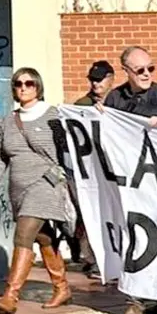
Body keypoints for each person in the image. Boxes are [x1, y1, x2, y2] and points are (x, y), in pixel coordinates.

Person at [0, 67, 76, 314]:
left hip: (46, 185)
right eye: (18, 83)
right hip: (18, 190)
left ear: (38, 87)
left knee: (23, 234)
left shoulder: (54, 115)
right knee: (43, 237)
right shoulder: (9, 121)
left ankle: (10, 296)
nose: (23, 88)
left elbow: (73, 148)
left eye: (29, 83)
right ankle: (62, 287)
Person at [104, 45, 157, 314]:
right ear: (126, 71)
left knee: (156, 239)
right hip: (128, 184)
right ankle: (134, 301)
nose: (147, 74)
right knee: (133, 238)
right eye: (140, 70)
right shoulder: (115, 98)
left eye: (151, 68)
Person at [69, 60, 115, 278]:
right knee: (90, 214)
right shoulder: (82, 105)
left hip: (113, 169)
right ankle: (94, 258)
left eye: (100, 80)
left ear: (110, 79)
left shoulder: (119, 102)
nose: (95, 84)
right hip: (89, 170)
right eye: (92, 80)